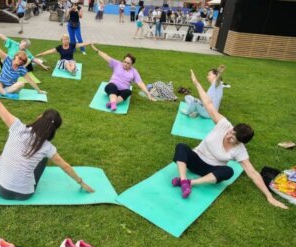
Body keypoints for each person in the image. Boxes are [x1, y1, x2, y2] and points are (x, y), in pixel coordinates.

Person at [0, 59, 94, 200]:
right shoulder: (47, 147)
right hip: (26, 194)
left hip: (1, 191)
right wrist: (81, 183)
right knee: (44, 158)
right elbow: (65, 166)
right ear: (54, 129)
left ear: (40, 117)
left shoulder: (17, 127)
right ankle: (8, 164)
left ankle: (2, 160)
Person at [170, 69, 288, 209]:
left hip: (210, 171)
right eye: (231, 133)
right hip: (196, 159)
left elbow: (252, 173)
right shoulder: (224, 124)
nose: (229, 136)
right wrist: (196, 83)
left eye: (234, 139)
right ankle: (183, 180)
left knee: (228, 171)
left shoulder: (240, 150)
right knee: (182, 147)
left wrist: (269, 197)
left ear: (240, 142)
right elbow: (208, 103)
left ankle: (190, 183)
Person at [91, 44, 154, 110]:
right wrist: (96, 50)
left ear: (132, 64)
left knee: (128, 92)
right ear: (123, 61)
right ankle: (113, 105)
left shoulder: (134, 71)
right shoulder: (117, 64)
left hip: (122, 91)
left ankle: (112, 103)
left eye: (128, 63)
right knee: (111, 86)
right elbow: (106, 57)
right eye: (124, 62)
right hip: (112, 87)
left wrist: (148, 94)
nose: (125, 64)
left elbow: (140, 83)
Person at [0, 34, 46, 98]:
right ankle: (5, 93)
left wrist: (39, 91)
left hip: (11, 87)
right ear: (15, 56)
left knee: (21, 84)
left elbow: (30, 81)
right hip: (0, 84)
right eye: (20, 58)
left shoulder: (21, 69)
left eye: (23, 61)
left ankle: (0, 92)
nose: (21, 61)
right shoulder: (7, 59)